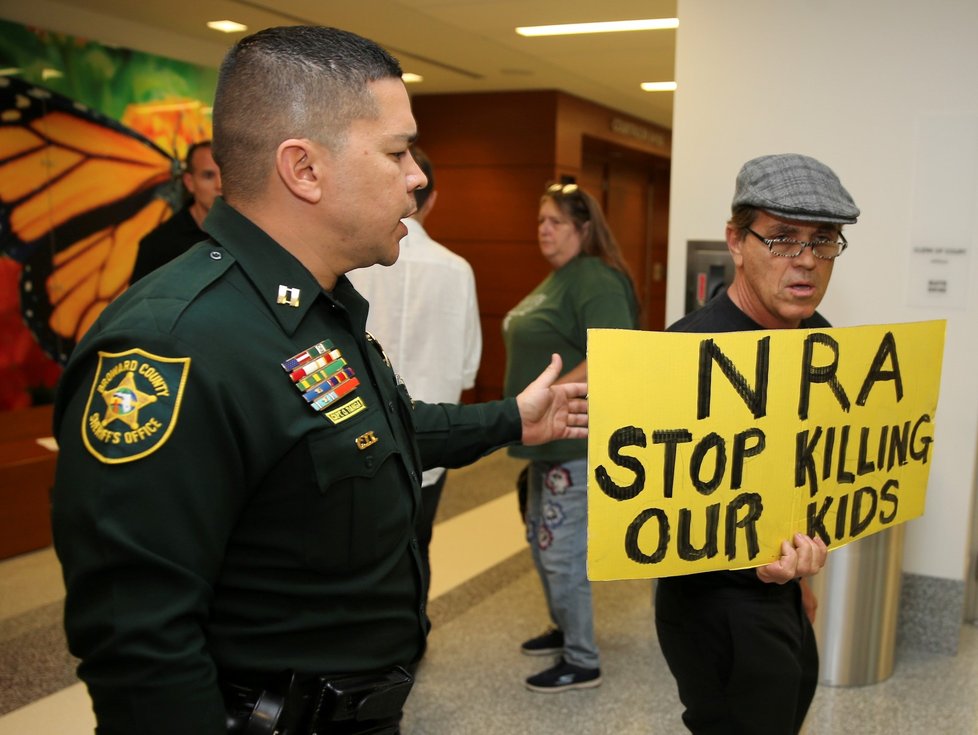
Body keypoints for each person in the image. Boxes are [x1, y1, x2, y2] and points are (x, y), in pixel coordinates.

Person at [49, 25, 588, 735]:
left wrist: (514, 416)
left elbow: (377, 432)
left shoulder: (314, 309)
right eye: (397, 152)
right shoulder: (173, 344)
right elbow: (139, 642)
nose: (418, 177)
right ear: (304, 169)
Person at [655, 153, 846, 734]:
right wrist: (752, 570)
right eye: (783, 238)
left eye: (824, 240)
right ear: (736, 241)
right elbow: (660, 515)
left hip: (784, 597)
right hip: (716, 609)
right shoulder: (686, 352)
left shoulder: (817, 337)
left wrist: (800, 584)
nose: (807, 261)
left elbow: (802, 470)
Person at [502, 182, 639, 692]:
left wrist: (549, 399)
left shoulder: (595, 279)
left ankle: (583, 661)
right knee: (541, 542)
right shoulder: (559, 280)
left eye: (555, 221)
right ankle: (564, 630)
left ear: (584, 229)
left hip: (575, 443)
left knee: (560, 551)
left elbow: (613, 352)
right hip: (546, 444)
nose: (543, 229)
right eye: (540, 220)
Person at [347, 146, 482, 591]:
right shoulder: (457, 270)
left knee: (357, 545)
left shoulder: (351, 265)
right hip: (435, 440)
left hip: (360, 433)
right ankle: (412, 636)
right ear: (433, 199)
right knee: (418, 542)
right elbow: (467, 367)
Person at [130, 140, 222, 282]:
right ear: (189, 182)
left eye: (225, 174)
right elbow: (141, 302)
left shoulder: (248, 232)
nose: (220, 185)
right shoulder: (157, 245)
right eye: (208, 176)